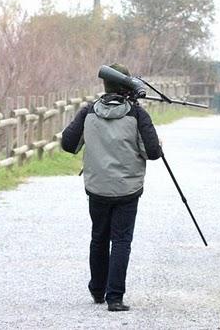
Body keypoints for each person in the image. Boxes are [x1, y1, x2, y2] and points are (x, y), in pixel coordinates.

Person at [61, 63, 162, 312]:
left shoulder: (89, 113)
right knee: (121, 240)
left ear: (105, 84)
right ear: (127, 86)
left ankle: (97, 290)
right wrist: (157, 143)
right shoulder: (137, 115)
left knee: (99, 237)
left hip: (97, 188)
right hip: (128, 189)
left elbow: (68, 143)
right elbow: (153, 153)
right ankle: (115, 297)